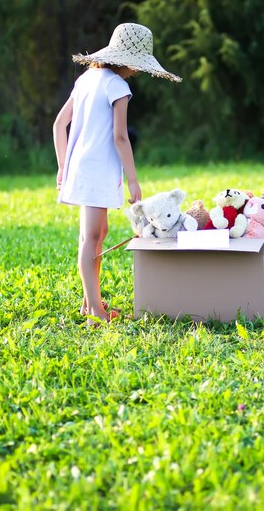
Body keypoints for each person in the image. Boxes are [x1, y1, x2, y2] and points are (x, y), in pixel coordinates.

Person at [53, 22, 182, 325]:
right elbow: (120, 137)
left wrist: (63, 165)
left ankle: (91, 301)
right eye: (137, 66)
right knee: (91, 238)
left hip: (84, 168)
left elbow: (59, 125)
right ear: (125, 60)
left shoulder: (86, 79)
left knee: (97, 236)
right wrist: (133, 180)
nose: (137, 72)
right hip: (97, 171)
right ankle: (94, 312)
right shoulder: (117, 86)